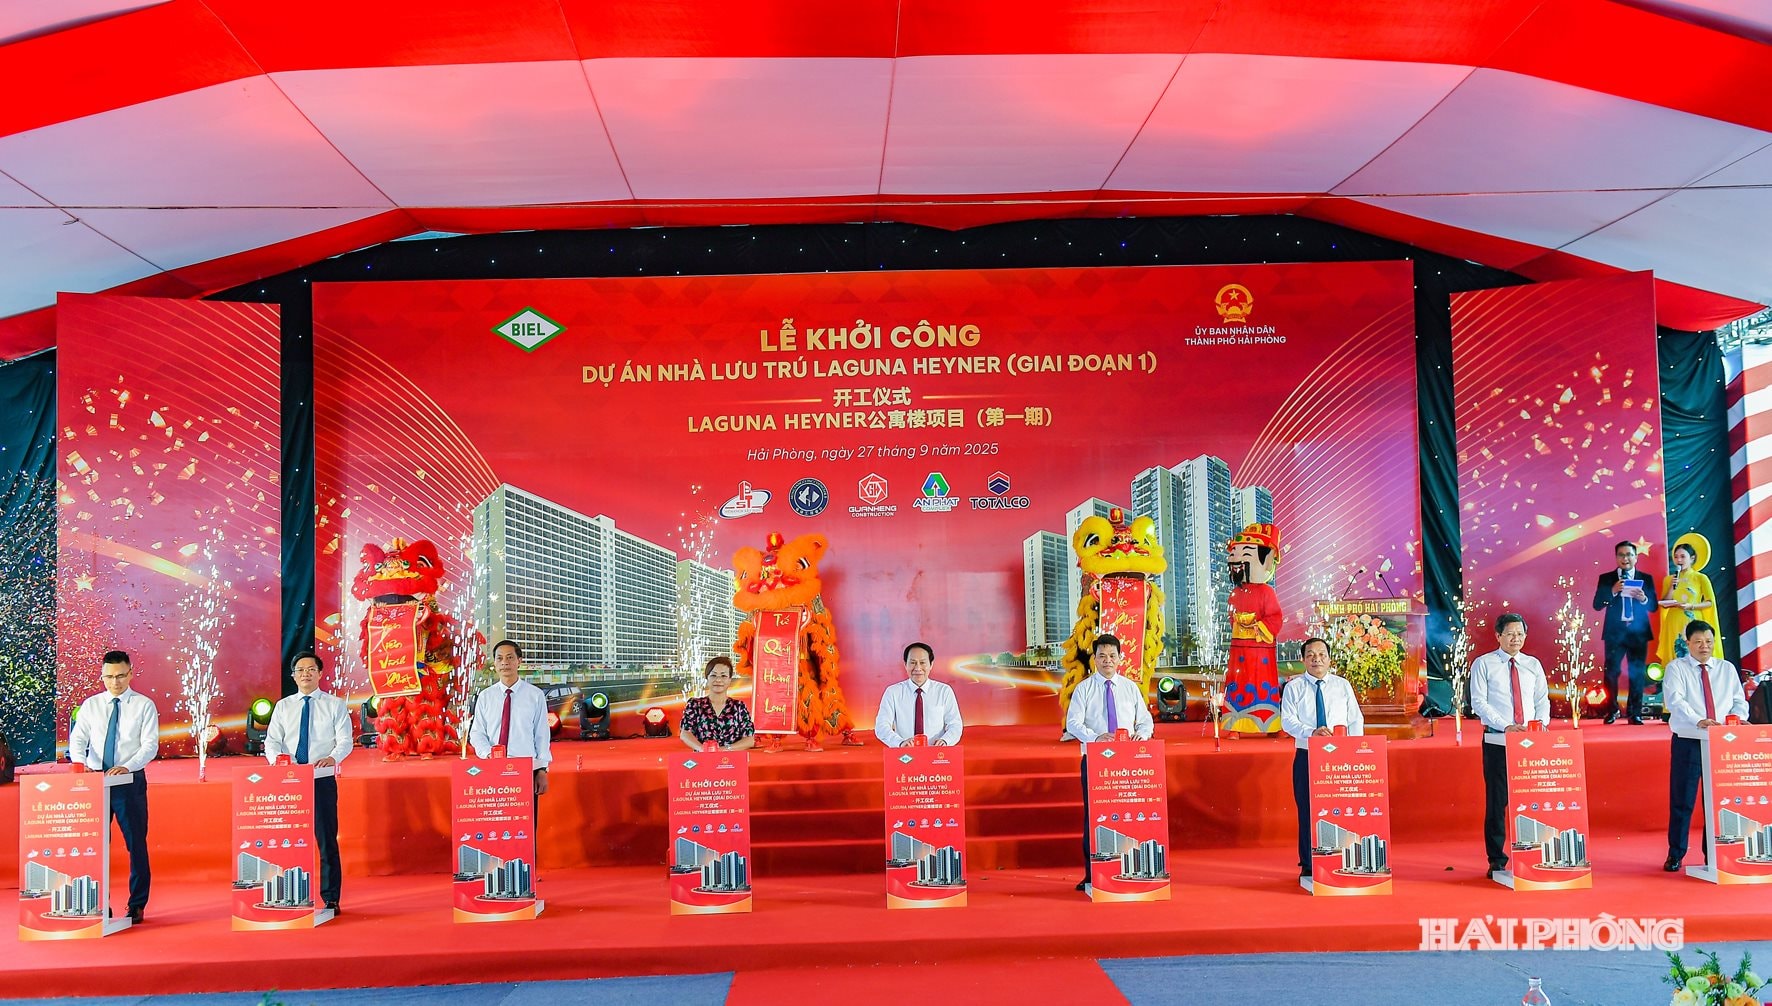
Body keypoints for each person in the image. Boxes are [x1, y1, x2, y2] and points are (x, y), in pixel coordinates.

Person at [67, 649, 159, 924]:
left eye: (120, 676)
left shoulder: (144, 705)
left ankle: (137, 904)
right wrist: (80, 765)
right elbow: (78, 739)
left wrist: (128, 766)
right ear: (102, 676)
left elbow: (150, 745)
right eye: (109, 677)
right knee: (93, 846)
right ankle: (98, 903)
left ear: (130, 673)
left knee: (135, 843)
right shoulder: (91, 705)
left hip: (129, 780)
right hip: (94, 781)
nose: (115, 682)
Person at [1063, 634, 1154, 894]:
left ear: (1120, 658)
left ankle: (1130, 869)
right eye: (1102, 656)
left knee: (1129, 815)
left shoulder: (1130, 688)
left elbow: (1145, 720)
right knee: (1094, 818)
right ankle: (1091, 876)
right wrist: (1095, 737)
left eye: (1112, 656)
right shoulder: (1084, 689)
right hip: (1095, 760)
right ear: (1094, 659)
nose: (1107, 661)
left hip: (1128, 762)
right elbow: (1073, 723)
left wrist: (1142, 735)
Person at [265, 650, 352, 913]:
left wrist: (332, 758)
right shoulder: (283, 706)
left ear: (320, 673)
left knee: (326, 839)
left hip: (320, 778)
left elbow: (345, 740)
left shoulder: (334, 704)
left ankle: (331, 898)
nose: (306, 674)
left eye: (311, 669)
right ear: (293, 675)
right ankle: (288, 895)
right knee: (288, 841)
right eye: (300, 670)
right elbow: (272, 741)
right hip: (288, 780)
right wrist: (278, 761)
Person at [1662, 620, 1749, 872]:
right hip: (1689, 740)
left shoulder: (1726, 668)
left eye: (1709, 641)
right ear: (1687, 643)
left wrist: (1736, 719)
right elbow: (1675, 700)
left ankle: (1713, 854)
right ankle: (1676, 854)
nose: (1704, 646)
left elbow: (1739, 700)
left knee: (1718, 801)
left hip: (1722, 742)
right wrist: (1698, 720)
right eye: (1698, 642)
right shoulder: (1676, 668)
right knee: (1683, 800)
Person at [1469, 613, 1550, 878]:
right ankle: (1496, 859)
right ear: (1498, 636)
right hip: (1498, 740)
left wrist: (1541, 723)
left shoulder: (1533, 664)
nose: (1516, 638)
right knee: (1498, 802)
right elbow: (1478, 702)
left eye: (1520, 634)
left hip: (1530, 742)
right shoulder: (1484, 664)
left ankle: (1533, 853)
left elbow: (1542, 699)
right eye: (1510, 634)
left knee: (1531, 800)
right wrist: (1505, 725)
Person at [1279, 637, 1364, 879]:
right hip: (1307, 754)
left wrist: (1355, 750)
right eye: (1311, 655)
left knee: (1341, 808)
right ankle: (1308, 864)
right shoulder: (1294, 687)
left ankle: (1344, 859)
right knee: (1307, 810)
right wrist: (1311, 733)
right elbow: (1287, 721)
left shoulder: (1342, 685)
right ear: (1303, 659)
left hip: (1340, 758)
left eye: (1321, 655)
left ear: (1329, 658)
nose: (1317, 659)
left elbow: (1355, 719)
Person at [467, 640, 551, 799]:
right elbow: (477, 733)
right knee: (495, 813)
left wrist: (542, 769)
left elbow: (541, 735)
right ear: (495, 663)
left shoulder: (535, 695)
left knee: (525, 814)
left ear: (519, 661)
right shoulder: (485, 697)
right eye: (499, 658)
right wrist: (488, 754)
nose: (504, 662)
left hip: (525, 770)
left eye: (510, 657)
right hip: (491, 768)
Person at [1593, 541, 1657, 724]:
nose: (1625, 558)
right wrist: (1612, 591)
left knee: (1637, 673)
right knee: (1611, 672)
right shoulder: (1607, 578)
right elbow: (1597, 605)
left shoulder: (1646, 578)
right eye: (1621, 555)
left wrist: (1643, 598)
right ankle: (1612, 711)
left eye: (1629, 554)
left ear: (1636, 557)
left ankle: (1634, 713)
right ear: (1616, 558)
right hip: (1614, 633)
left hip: (1638, 633)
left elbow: (1653, 606)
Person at [874, 642, 963, 747]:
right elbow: (881, 726)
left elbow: (955, 724)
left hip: (936, 752)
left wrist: (945, 741)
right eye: (912, 662)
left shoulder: (944, 691)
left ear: (931, 664)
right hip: (905, 753)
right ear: (905, 665)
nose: (917, 668)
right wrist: (900, 742)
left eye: (922, 662)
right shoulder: (893, 692)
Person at [1657, 534, 1718, 667]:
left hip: (1693, 619)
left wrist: (1691, 606)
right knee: (1676, 653)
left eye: (1682, 556)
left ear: (1692, 558)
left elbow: (1710, 602)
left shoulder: (1700, 578)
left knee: (1693, 653)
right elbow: (1664, 603)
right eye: (1676, 557)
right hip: (1673, 620)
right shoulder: (1669, 579)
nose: (1679, 560)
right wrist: (1672, 587)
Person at [680, 656, 757, 752]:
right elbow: (685, 733)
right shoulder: (695, 705)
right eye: (713, 675)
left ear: (730, 679)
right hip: (702, 758)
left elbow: (749, 740)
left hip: (731, 759)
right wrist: (703, 750)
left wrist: (723, 750)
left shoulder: (739, 707)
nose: (718, 680)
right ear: (707, 678)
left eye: (723, 676)